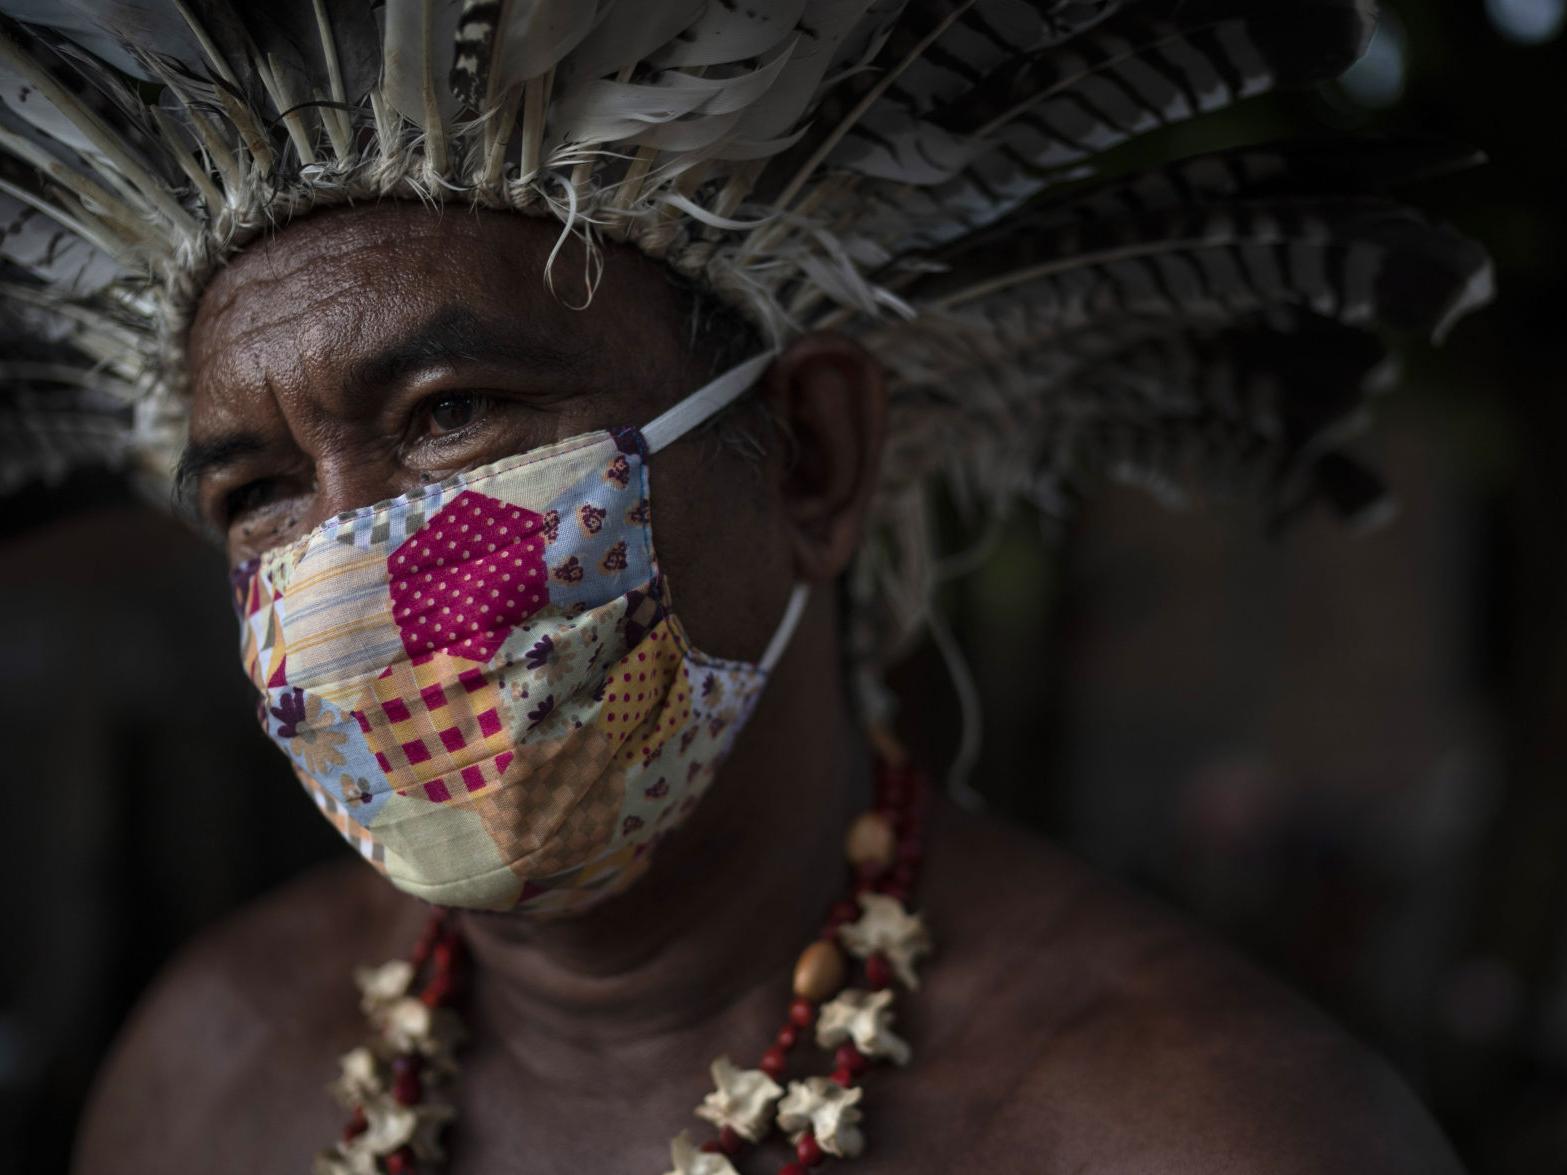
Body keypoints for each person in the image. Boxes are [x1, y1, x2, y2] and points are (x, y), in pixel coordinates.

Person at [0, 2, 1488, 1172]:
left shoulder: (1209, 1136)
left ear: (812, 464)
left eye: (451, 413)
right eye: (256, 492)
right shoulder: (209, 1066)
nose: (341, 593)